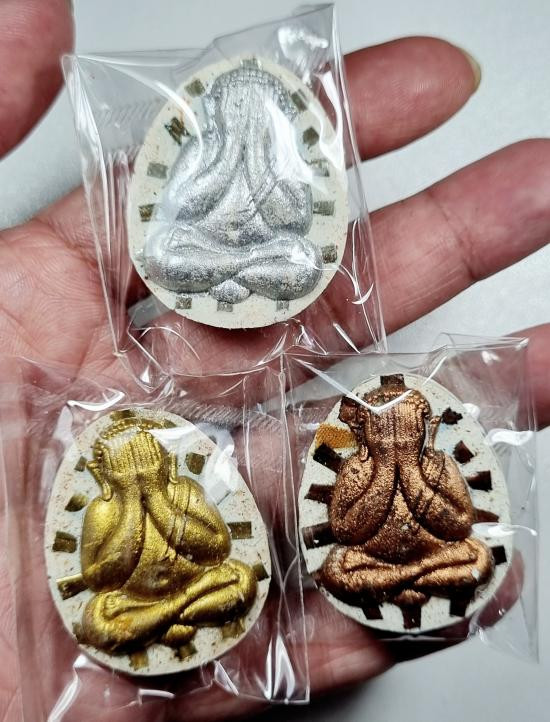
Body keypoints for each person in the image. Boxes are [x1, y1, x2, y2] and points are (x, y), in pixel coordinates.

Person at [0, 1, 549, 720]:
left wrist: (405, 486)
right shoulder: (114, 505)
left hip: (274, 270)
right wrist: (141, 518)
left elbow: (437, 526)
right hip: (158, 592)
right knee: (144, 604)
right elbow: (111, 571)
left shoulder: (413, 466)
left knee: (459, 561)